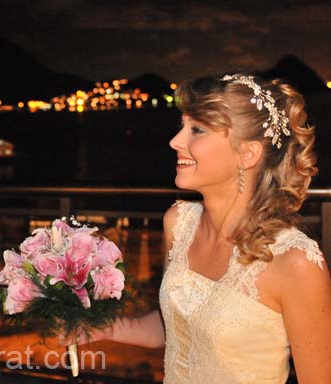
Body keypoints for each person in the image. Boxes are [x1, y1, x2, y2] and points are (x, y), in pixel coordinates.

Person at [64, 73, 331, 383]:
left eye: (197, 130)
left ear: (248, 154)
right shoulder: (178, 223)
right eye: (182, 127)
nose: (175, 141)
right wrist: (97, 327)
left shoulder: (295, 262)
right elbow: (180, 327)